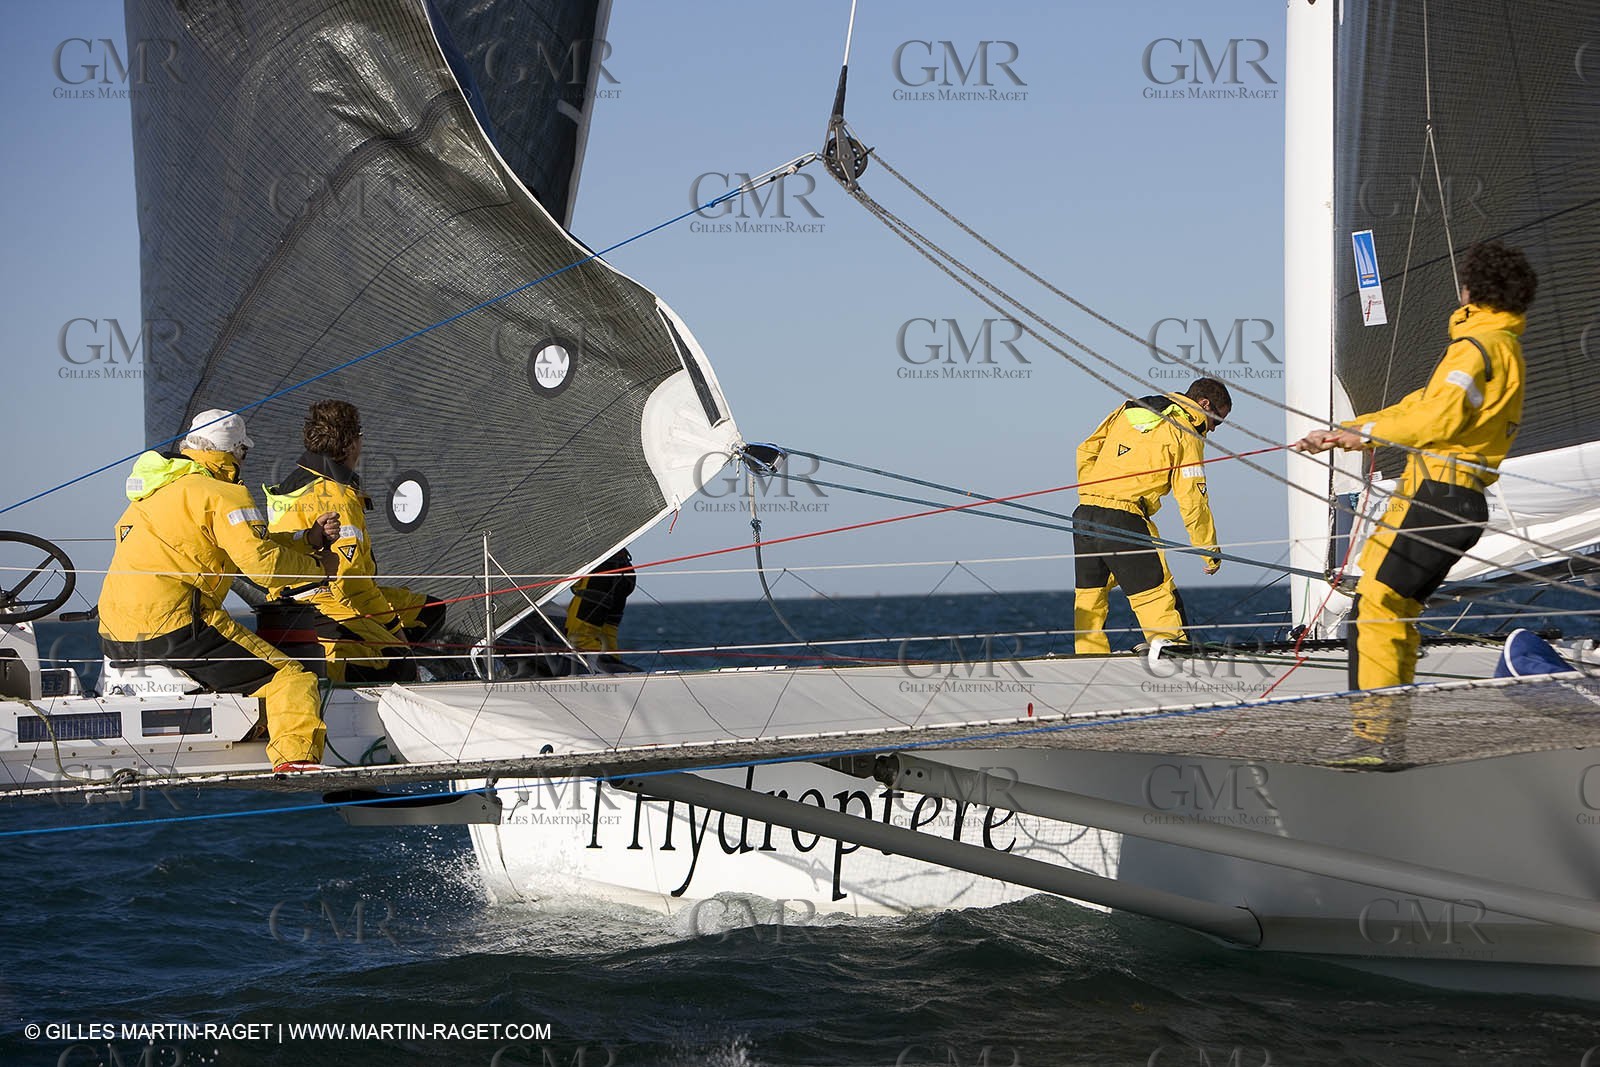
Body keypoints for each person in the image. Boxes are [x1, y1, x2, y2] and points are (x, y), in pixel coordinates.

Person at [1294, 240, 1536, 702]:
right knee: (1393, 608)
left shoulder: (1476, 347)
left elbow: (1434, 420)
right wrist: (1343, 431)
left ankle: (1374, 734)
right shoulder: (1505, 346)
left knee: (1378, 607)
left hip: (1438, 496)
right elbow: (1421, 406)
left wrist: (1357, 437)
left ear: (1470, 291)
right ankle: (1386, 726)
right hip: (1459, 501)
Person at [98, 409, 339, 772]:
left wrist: (307, 539)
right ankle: (296, 760)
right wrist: (320, 569)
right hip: (179, 631)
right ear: (235, 452)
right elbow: (263, 567)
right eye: (244, 453)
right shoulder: (224, 494)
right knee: (292, 677)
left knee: (251, 668)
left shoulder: (155, 491)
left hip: (115, 637)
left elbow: (250, 541)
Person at [264, 400, 445, 683]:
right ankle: (376, 681)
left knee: (430, 612)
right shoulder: (335, 497)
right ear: (349, 444)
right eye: (360, 435)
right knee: (396, 663)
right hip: (318, 602)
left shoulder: (303, 477)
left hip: (298, 598)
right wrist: (395, 632)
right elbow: (350, 584)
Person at [1073, 378, 1231, 654]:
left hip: (1085, 514)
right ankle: (1174, 654)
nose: (1213, 430)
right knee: (1155, 595)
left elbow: (1086, 449)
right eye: (1217, 421)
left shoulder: (1129, 408)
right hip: (1126, 518)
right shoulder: (1186, 431)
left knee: (1090, 596)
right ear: (1204, 405)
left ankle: (1088, 656)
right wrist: (1209, 551)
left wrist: (1092, 493)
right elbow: (1193, 500)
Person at [566, 548, 639, 672]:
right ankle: (616, 671)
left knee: (580, 637)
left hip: (600, 573)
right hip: (622, 568)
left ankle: (597, 672)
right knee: (607, 634)